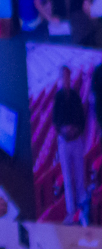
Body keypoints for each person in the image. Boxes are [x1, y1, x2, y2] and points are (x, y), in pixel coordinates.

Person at [53, 65, 89, 226]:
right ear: (61, 79)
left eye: (67, 76)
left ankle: (83, 208)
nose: (65, 80)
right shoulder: (57, 98)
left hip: (76, 141)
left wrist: (76, 129)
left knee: (80, 175)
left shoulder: (75, 96)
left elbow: (81, 117)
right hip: (64, 142)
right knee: (67, 178)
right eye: (63, 77)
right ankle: (71, 211)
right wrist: (64, 129)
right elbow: (55, 120)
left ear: (70, 77)